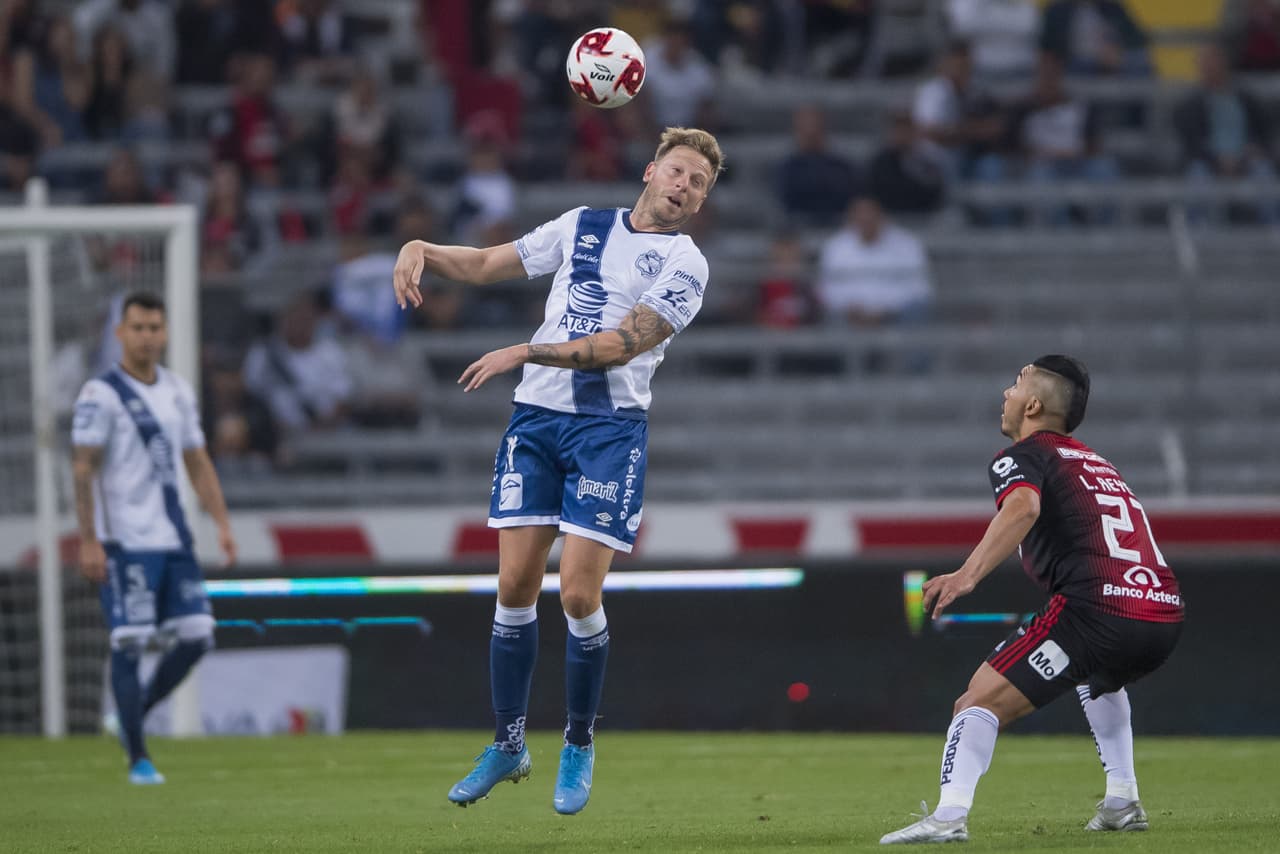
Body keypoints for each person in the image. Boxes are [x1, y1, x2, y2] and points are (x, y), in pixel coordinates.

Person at [392, 126, 724, 815]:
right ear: (650, 169)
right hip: (536, 422)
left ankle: (577, 742)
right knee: (513, 584)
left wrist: (525, 350)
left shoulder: (687, 264)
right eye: (678, 171)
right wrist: (421, 247)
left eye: (699, 182)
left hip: (609, 432)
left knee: (576, 594)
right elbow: (488, 263)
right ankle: (509, 743)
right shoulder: (582, 225)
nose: (685, 186)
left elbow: (619, 346)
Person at [880, 355, 1183, 844]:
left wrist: (967, 575)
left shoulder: (1024, 455)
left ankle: (948, 816)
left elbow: (1024, 506)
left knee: (975, 702)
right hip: (1163, 611)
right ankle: (1122, 799)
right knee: (1097, 678)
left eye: (1016, 383)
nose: (1006, 393)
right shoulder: (1099, 463)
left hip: (1096, 610)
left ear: (1035, 404)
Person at [71, 291, 237, 785]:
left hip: (173, 538)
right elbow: (83, 469)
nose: (146, 337)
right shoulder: (99, 395)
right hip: (123, 540)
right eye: (137, 328)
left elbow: (198, 462)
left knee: (197, 636)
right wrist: (87, 539)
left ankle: (132, 713)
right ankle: (139, 759)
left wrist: (222, 523)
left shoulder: (178, 392)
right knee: (130, 641)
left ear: (164, 333)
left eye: (154, 328)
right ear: (121, 333)